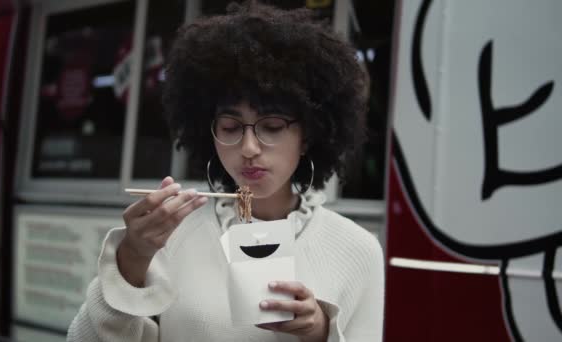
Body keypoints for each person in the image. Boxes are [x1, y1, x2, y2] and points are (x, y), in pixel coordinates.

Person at [67, 1, 383, 341]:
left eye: (272, 126)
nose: (248, 148)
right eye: (231, 127)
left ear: (307, 135)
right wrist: (131, 259)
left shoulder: (357, 249)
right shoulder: (170, 233)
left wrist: (321, 332)